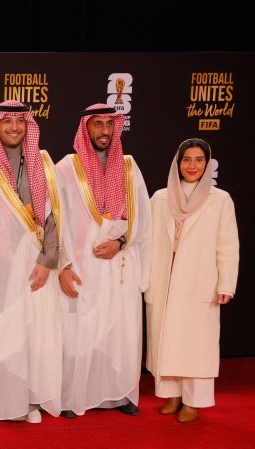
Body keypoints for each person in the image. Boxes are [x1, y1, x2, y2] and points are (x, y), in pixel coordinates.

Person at [0, 100, 63, 424]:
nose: (14, 127)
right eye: (7, 122)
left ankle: (26, 402)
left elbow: (54, 217)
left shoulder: (43, 162)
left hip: (32, 264)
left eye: (20, 121)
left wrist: (47, 260)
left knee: (30, 334)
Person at [55, 104, 151, 418]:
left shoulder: (129, 167)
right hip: (82, 265)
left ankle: (118, 394)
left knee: (119, 328)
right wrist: (63, 265)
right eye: (97, 124)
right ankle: (73, 397)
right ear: (86, 128)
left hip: (119, 263)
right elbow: (54, 221)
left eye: (109, 124)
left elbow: (143, 218)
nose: (104, 131)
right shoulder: (66, 168)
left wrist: (120, 242)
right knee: (80, 330)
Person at [145, 138, 239, 423]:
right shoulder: (160, 198)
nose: (192, 166)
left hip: (199, 280)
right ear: (178, 163)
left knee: (195, 342)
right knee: (166, 338)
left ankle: (194, 401)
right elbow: (146, 241)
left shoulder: (219, 199)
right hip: (164, 278)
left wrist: (226, 284)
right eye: (186, 159)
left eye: (199, 160)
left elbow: (228, 245)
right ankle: (171, 394)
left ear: (207, 164)